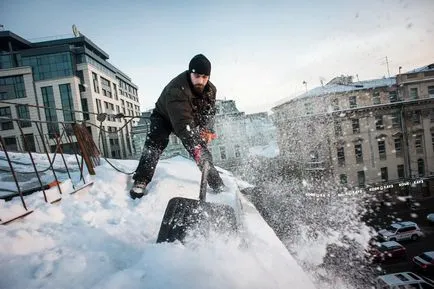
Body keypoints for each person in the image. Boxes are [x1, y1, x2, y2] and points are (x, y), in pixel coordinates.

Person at [130, 54, 225, 199]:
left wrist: (207, 130)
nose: (201, 81)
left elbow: (209, 113)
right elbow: (184, 127)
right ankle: (141, 179)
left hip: (190, 116)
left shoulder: (210, 90)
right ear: (190, 73)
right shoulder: (177, 89)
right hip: (164, 117)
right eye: (197, 76)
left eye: (205, 77)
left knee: (200, 147)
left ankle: (217, 184)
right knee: (157, 141)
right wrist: (198, 148)